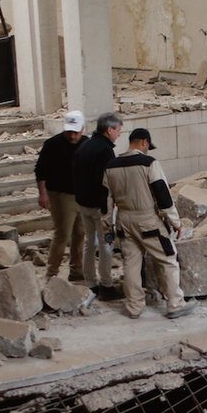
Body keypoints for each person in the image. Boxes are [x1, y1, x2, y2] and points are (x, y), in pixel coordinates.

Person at [101, 128, 196, 320]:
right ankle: (175, 304)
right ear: (144, 142)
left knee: (131, 263)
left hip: (123, 221)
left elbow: (105, 200)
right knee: (168, 259)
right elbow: (162, 195)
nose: (147, 149)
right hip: (148, 220)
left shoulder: (110, 166)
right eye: (147, 146)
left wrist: (107, 225)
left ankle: (134, 306)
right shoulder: (149, 163)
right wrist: (175, 222)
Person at [73, 112, 125, 300]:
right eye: (118, 130)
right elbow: (105, 181)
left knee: (89, 242)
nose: (119, 133)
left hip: (83, 202)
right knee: (105, 245)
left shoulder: (85, 145)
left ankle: (90, 282)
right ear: (109, 130)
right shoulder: (105, 151)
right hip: (99, 206)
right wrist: (108, 207)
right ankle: (106, 285)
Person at [34, 110, 87, 281]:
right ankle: (52, 273)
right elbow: (40, 171)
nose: (72, 136)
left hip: (82, 194)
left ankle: (76, 270)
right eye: (69, 132)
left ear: (82, 129)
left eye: (75, 132)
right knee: (63, 234)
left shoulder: (87, 144)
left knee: (80, 233)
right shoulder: (52, 144)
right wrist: (42, 194)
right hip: (61, 194)